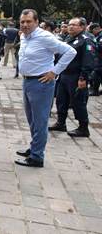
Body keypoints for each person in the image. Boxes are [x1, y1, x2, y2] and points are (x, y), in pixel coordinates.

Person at [16, 9, 76, 168]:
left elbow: (70, 51)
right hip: (27, 82)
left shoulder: (45, 37)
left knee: (40, 121)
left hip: (41, 83)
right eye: (22, 22)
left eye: (29, 21)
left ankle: (37, 157)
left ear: (36, 22)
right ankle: (34, 147)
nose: (25, 24)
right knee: (32, 120)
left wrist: (54, 72)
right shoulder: (24, 36)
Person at [48, 17, 95, 137]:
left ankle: (83, 128)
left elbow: (88, 60)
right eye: (69, 24)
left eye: (74, 25)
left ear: (82, 27)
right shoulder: (69, 39)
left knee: (78, 102)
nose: (70, 27)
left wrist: (83, 78)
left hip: (76, 76)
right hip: (64, 74)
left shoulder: (86, 40)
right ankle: (61, 123)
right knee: (61, 100)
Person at [89, 23, 102, 95]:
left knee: (96, 74)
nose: (92, 32)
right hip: (98, 58)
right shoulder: (98, 36)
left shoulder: (100, 36)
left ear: (96, 29)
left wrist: (93, 46)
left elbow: (100, 47)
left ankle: (95, 91)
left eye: (92, 30)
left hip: (99, 59)